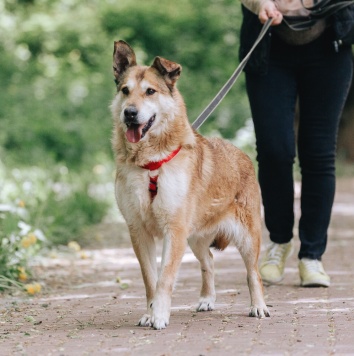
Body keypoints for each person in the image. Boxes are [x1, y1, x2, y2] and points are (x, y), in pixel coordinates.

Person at [238, 0, 354, 287]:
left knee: (319, 154)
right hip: (268, 45)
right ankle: (279, 242)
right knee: (274, 150)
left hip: (329, 48)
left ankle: (312, 256)